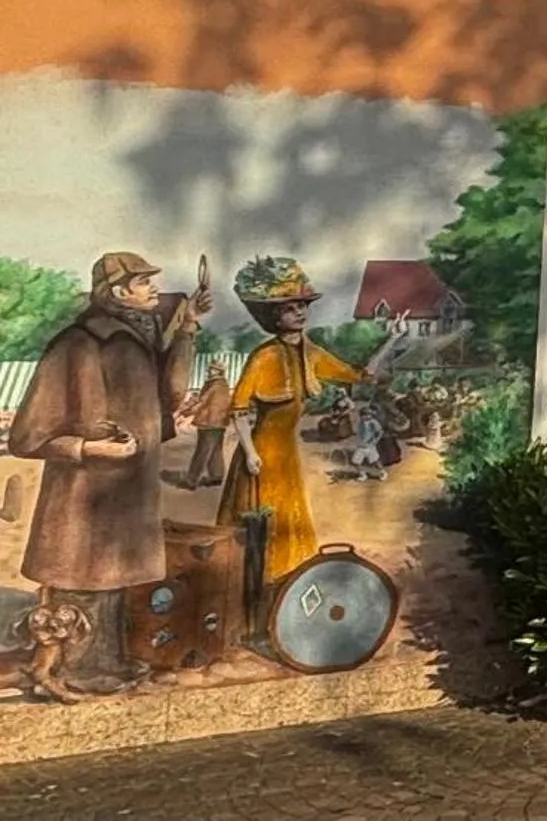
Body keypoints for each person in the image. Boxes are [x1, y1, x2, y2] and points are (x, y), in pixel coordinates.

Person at [5, 250, 211, 699]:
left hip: (126, 493)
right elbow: (26, 436)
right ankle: (71, 669)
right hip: (82, 496)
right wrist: (86, 448)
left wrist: (189, 327)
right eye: (143, 283)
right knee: (80, 581)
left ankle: (107, 663)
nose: (153, 289)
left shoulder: (134, 338)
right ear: (118, 292)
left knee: (114, 580)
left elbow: (168, 398)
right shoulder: (77, 344)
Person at [216, 256, 407, 589]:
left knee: (290, 522)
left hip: (286, 455)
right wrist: (248, 453)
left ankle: (284, 591)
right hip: (260, 457)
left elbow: (361, 375)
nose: (300, 313)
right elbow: (240, 409)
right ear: (275, 316)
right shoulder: (264, 356)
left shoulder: (311, 353)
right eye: (291, 308)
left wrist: (392, 340)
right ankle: (251, 597)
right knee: (258, 528)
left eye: (302, 305)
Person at [182, 356, 234, 489]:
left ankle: (191, 480)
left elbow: (202, 400)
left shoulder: (214, 385)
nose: (210, 371)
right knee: (216, 449)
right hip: (219, 422)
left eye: (214, 369)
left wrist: (187, 411)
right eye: (210, 369)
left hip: (208, 421)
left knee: (202, 451)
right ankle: (216, 476)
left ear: (219, 371)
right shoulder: (223, 384)